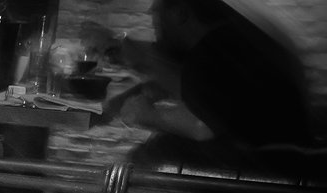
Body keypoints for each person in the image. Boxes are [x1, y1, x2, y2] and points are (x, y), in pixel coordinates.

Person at [105, 0, 314, 150]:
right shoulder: (236, 42)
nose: (153, 21)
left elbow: (202, 126)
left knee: (145, 155)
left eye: (157, 12)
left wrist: (148, 115)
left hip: (261, 173)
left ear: (180, 12)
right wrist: (148, 89)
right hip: (293, 158)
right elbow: (221, 99)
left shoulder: (207, 55)